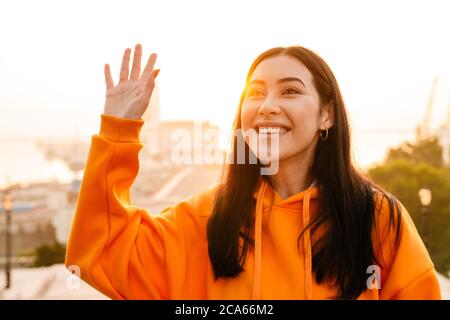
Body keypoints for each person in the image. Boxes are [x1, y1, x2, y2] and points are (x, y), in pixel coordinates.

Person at [65, 44, 441, 300]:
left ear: (327, 114)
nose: (267, 107)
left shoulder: (376, 220)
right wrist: (118, 129)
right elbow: (97, 254)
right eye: (256, 93)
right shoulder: (202, 222)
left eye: (290, 92)